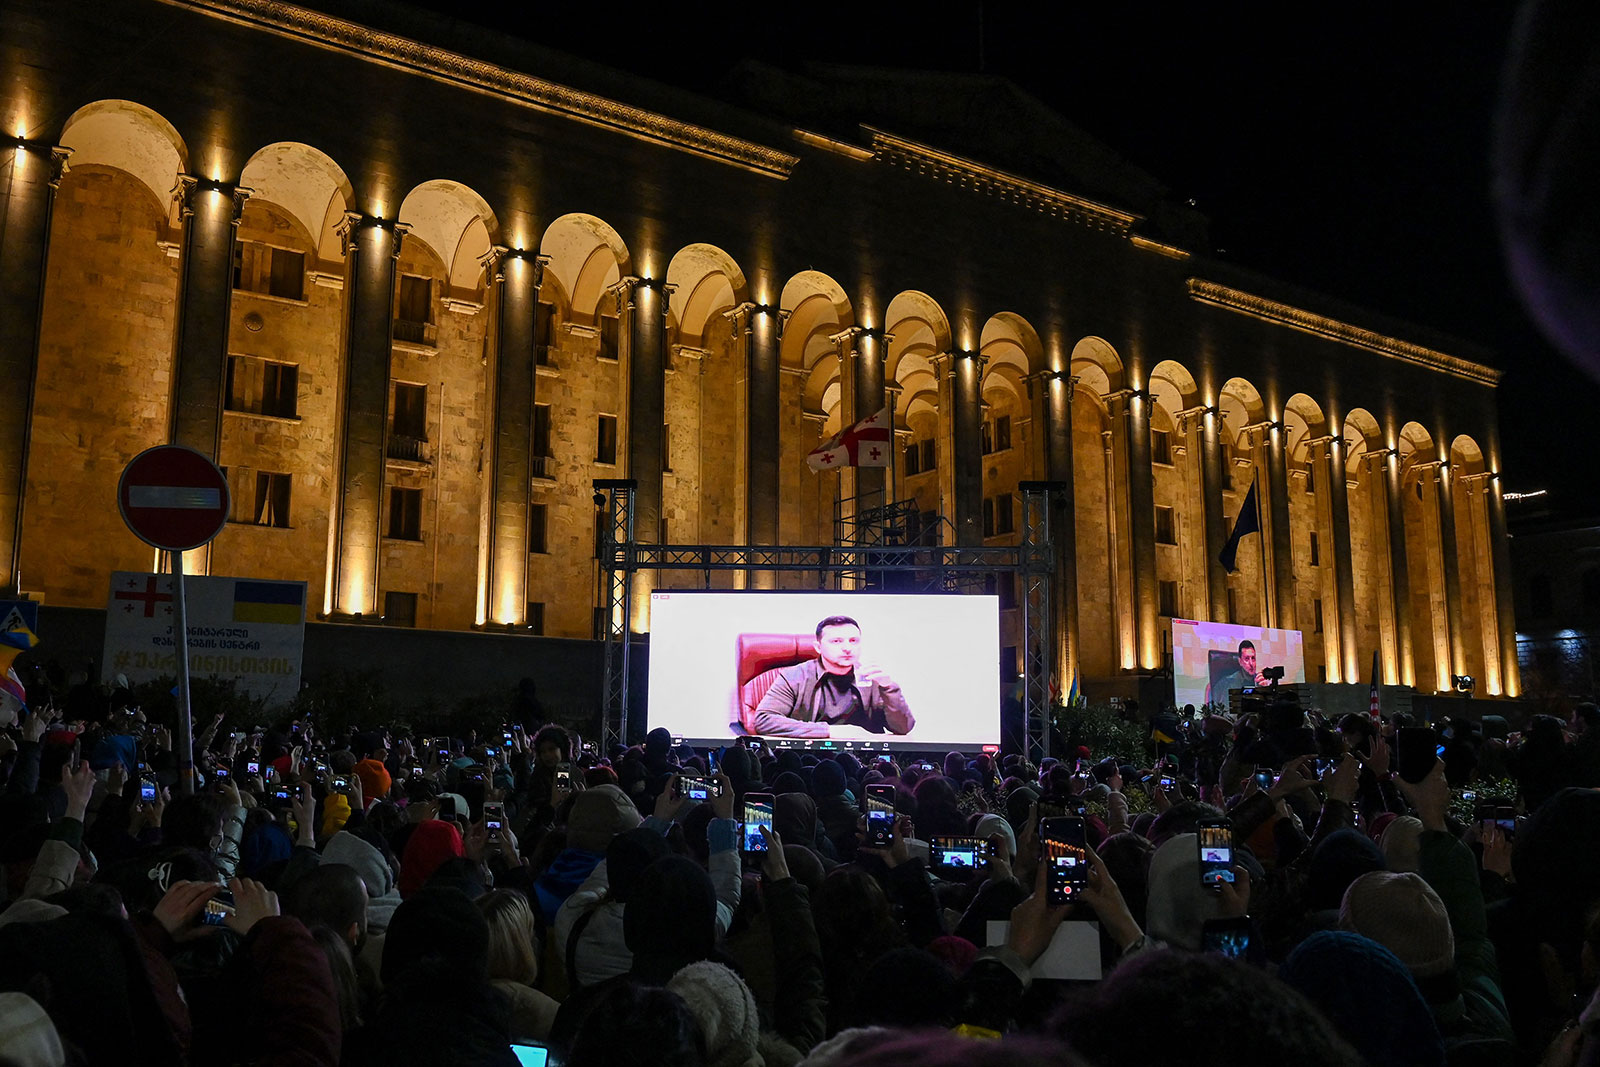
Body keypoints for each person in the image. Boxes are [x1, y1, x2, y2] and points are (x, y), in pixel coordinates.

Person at [749, 616, 915, 739]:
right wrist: (829, 731)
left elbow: (903, 728)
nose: (847, 648)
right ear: (818, 647)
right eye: (836, 641)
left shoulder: (871, 678)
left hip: (865, 760)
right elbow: (764, 720)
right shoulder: (794, 676)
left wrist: (889, 688)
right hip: (812, 758)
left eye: (853, 641)